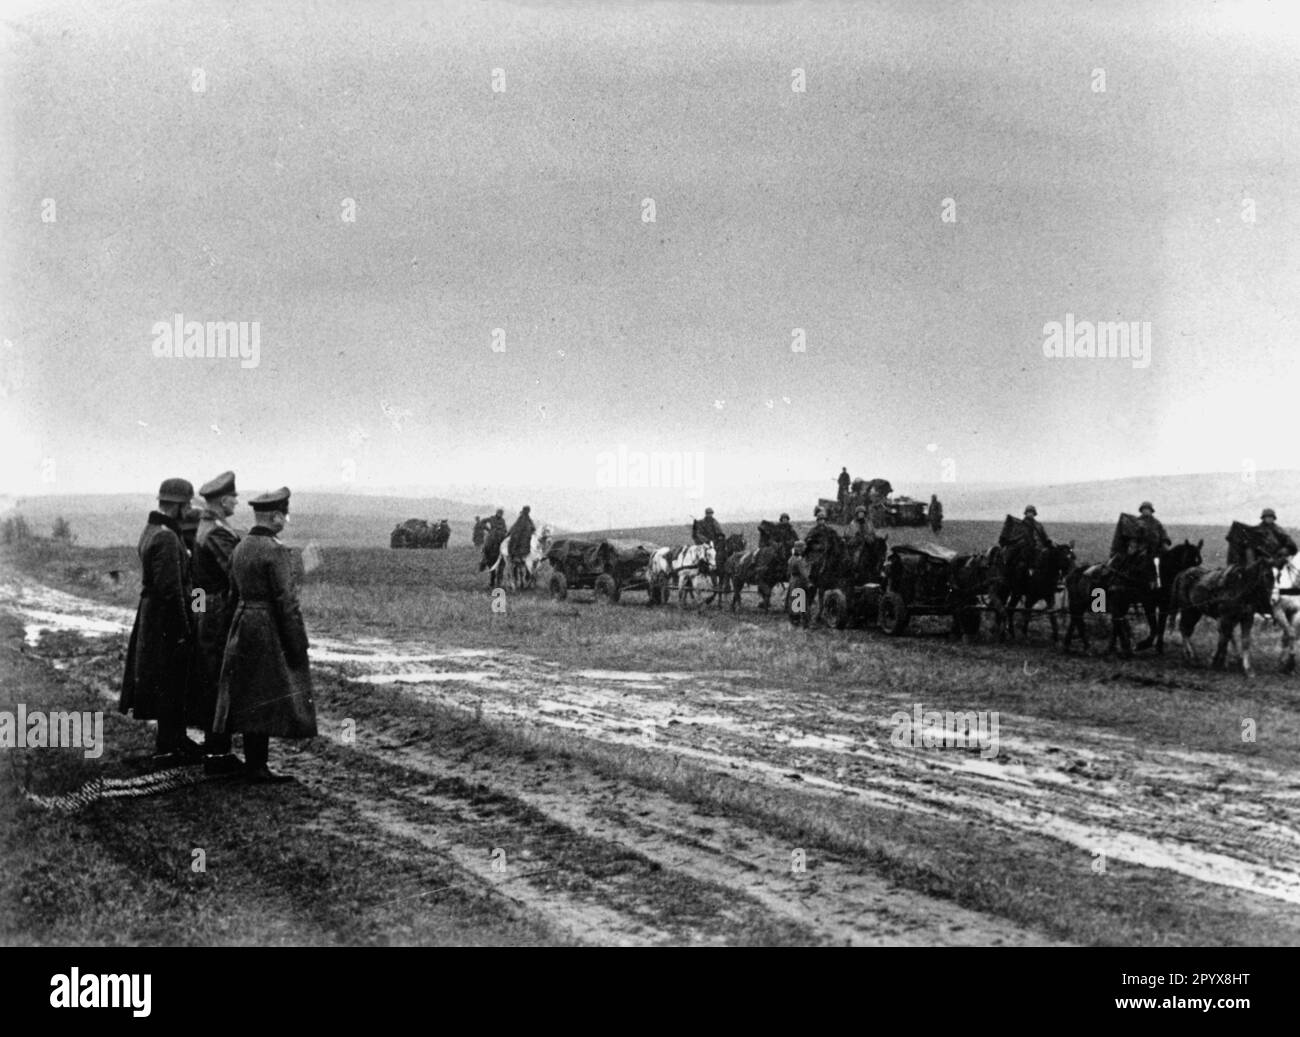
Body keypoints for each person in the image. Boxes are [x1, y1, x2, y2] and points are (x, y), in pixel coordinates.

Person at [214, 488, 317, 784]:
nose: (285, 520)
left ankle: (253, 762)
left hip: (242, 622)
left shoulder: (240, 546)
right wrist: (298, 643)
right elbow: (287, 602)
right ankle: (258, 766)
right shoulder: (276, 550)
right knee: (266, 694)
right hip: (267, 625)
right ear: (275, 516)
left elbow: (231, 593)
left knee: (247, 693)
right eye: (283, 515)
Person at [120, 478, 201, 763]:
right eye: (187, 503)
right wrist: (184, 627)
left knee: (169, 680)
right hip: (165, 621)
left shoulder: (153, 529)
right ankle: (169, 746)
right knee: (170, 680)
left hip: (153, 617)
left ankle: (175, 740)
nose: (189, 509)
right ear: (177, 504)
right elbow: (171, 590)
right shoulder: (166, 536)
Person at [190, 471, 243, 775]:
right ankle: (218, 753)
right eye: (234, 497)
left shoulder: (207, 526)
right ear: (224, 500)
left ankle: (215, 749)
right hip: (219, 611)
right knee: (220, 678)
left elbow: (198, 582)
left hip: (208, 609)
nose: (237, 500)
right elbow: (234, 572)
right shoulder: (218, 532)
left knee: (211, 675)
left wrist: (200, 608)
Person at [786, 541, 812, 628]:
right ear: (800, 549)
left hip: (792, 580)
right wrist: (808, 582)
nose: (805, 549)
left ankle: (794, 621)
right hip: (799, 581)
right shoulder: (799, 560)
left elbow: (788, 571)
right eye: (803, 547)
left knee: (794, 600)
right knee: (802, 601)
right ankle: (804, 622)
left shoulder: (791, 559)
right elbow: (804, 573)